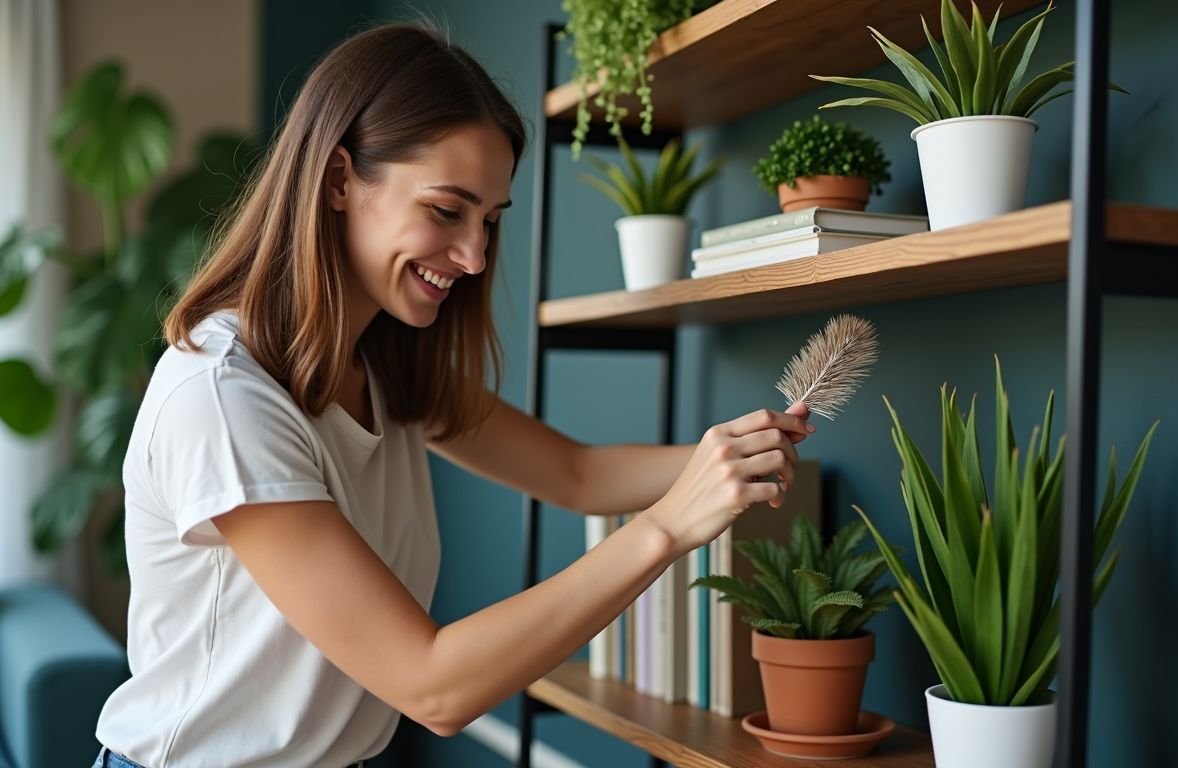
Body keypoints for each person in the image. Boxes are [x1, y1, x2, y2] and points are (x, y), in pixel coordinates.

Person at [91, 21, 812, 768]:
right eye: (446, 211)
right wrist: (667, 527)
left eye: (490, 222)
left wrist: (728, 454)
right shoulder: (225, 396)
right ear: (339, 179)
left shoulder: (386, 368)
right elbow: (432, 688)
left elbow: (578, 474)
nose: (473, 257)